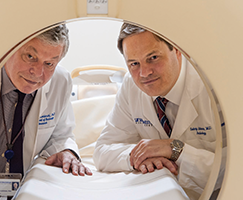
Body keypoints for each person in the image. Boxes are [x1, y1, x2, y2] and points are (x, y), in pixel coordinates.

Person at [93, 23, 224, 200]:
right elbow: (102, 151)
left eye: (153, 57)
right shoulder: (131, 87)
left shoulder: (216, 88)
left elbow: (234, 168)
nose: (144, 73)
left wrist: (175, 150)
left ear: (177, 50)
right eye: (134, 63)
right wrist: (140, 155)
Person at [0, 24, 92, 189]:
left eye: (49, 64)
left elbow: (61, 135)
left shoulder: (60, 82)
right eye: (30, 56)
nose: (38, 73)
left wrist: (67, 151)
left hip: (24, 190)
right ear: (8, 50)